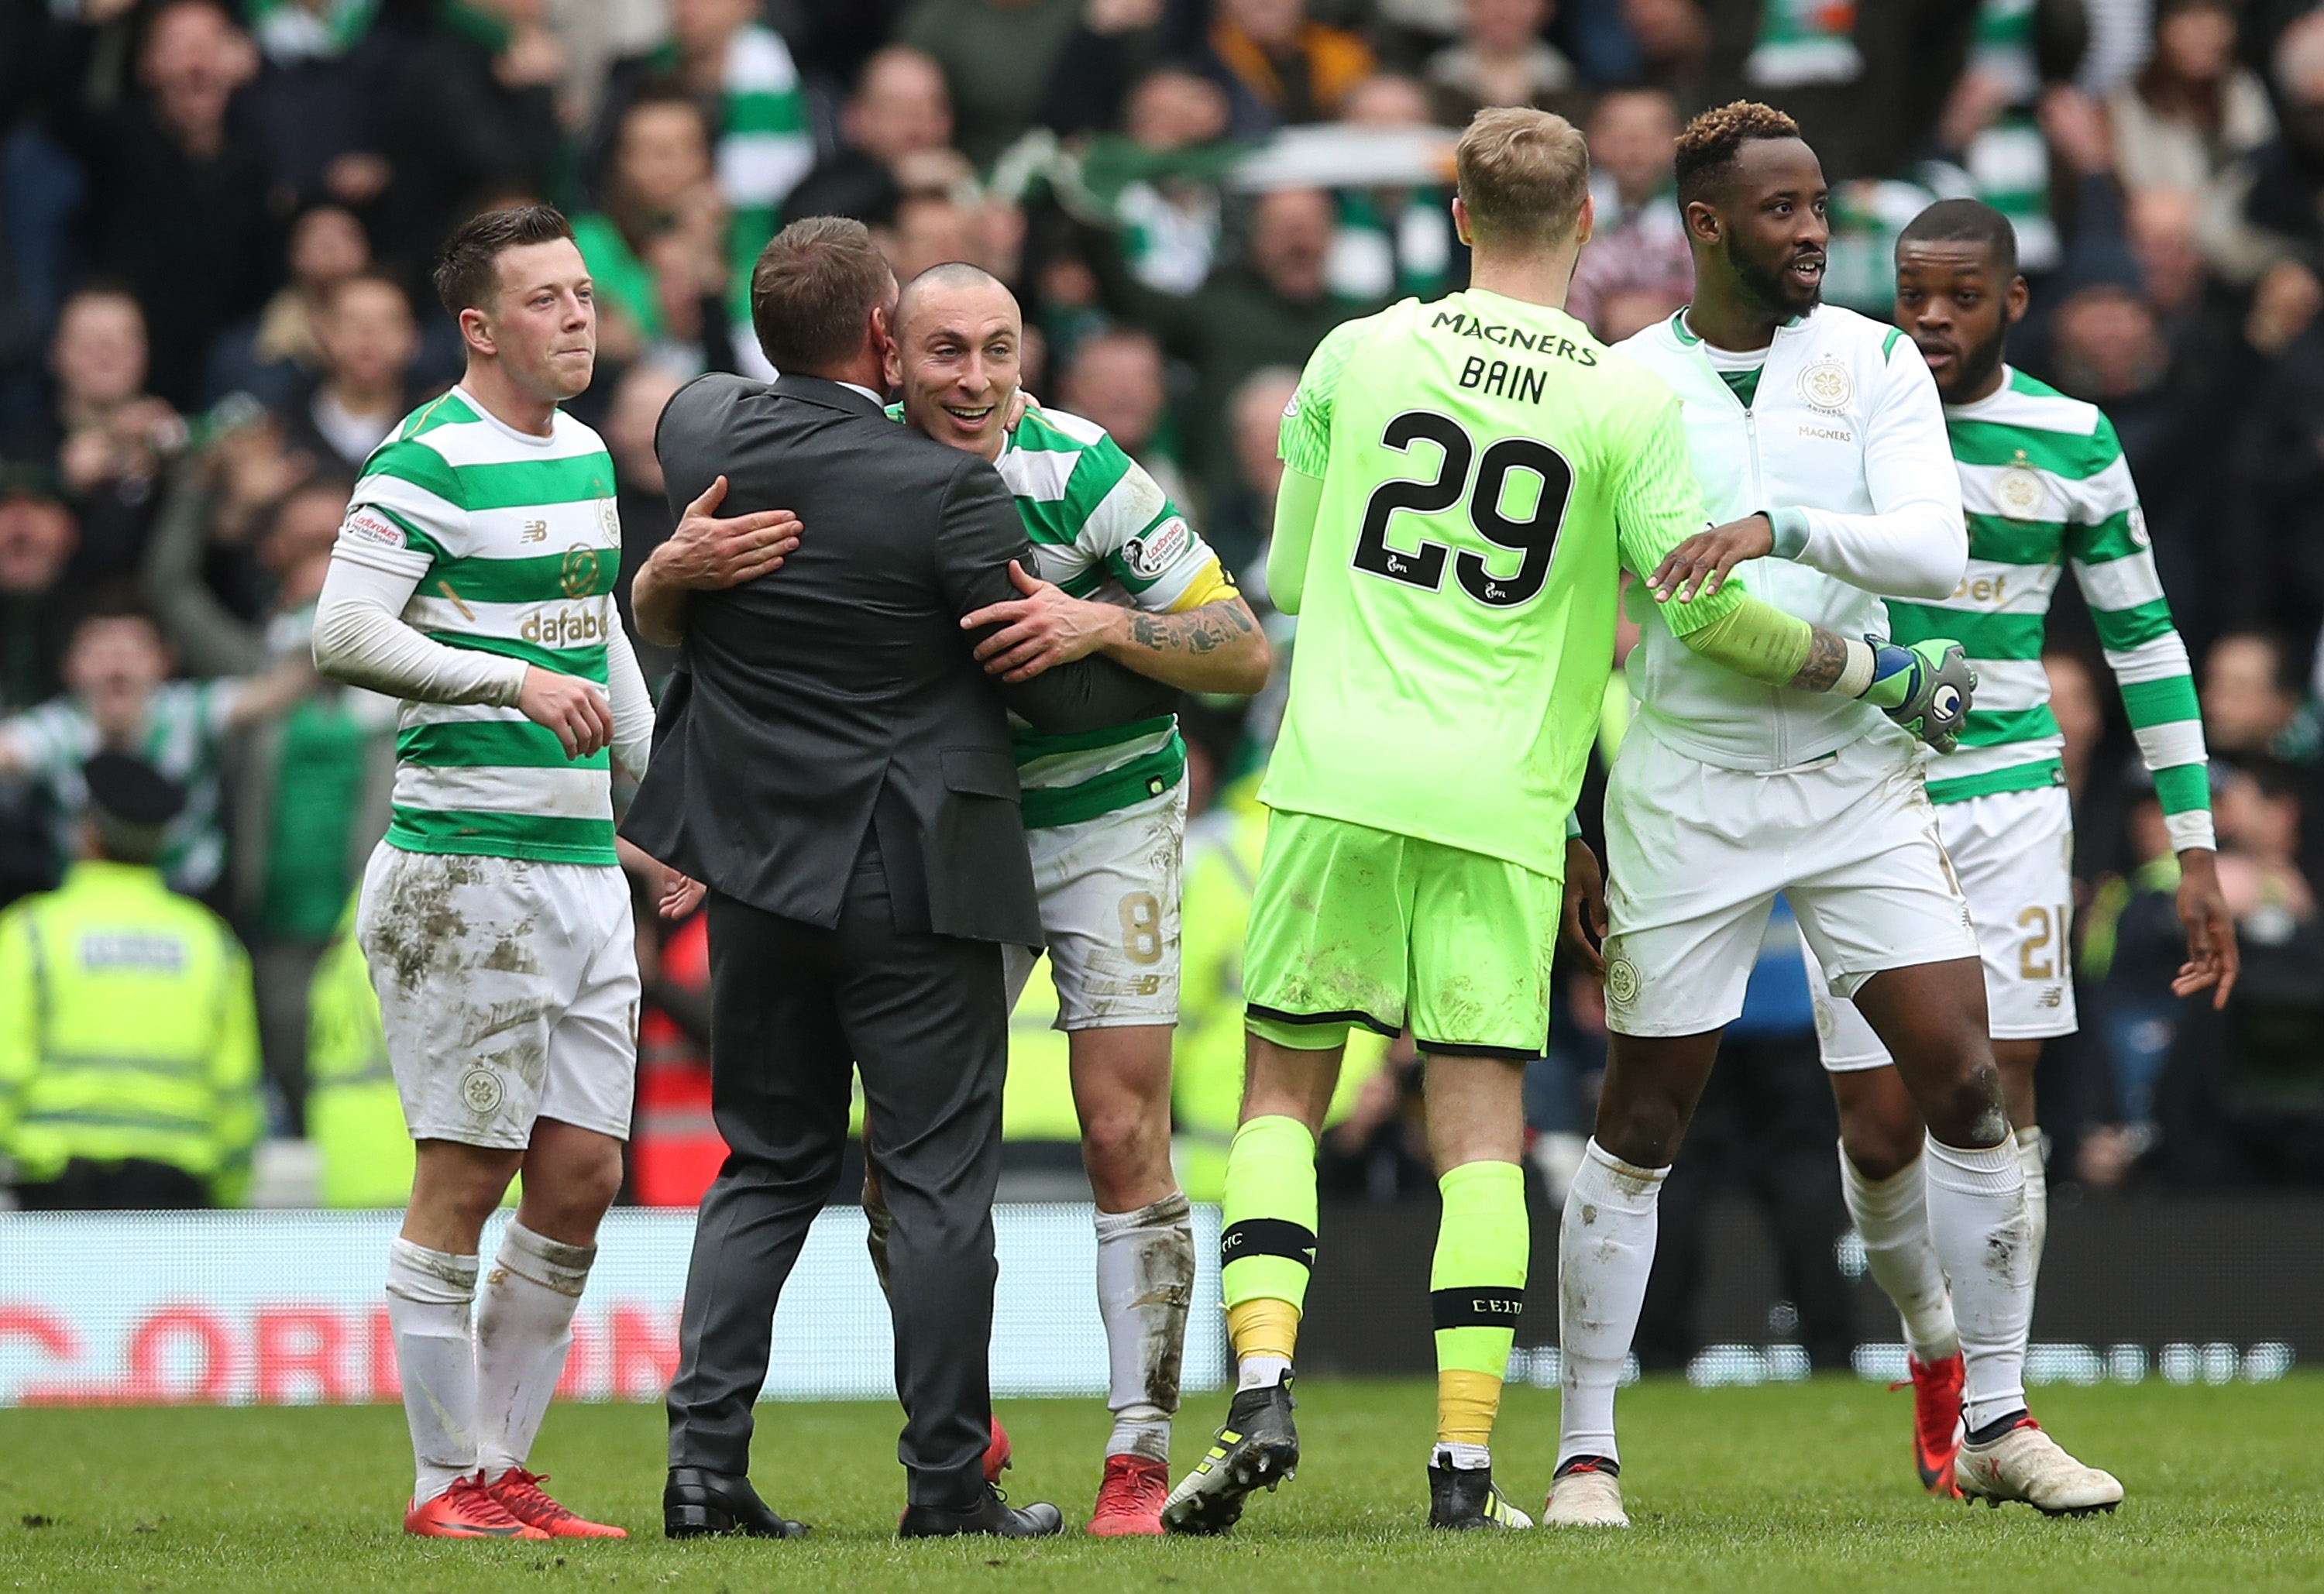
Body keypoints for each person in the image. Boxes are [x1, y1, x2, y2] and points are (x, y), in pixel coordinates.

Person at [1164, 105, 1977, 1539]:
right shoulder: (1621, 399)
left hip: (1338, 771)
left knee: (1282, 1093)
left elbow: (1285, 573)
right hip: (1504, 804)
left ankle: (1262, 1379)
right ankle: (1465, 1467)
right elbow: (1705, 610)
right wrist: (1874, 666)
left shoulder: (1356, 353)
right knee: (1478, 1129)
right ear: (1592, 222)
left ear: (1458, 214)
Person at [1549, 101, 2121, 1529]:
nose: (1814, 233)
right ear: (1704, 225)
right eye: (1784, 210)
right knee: (1641, 1120)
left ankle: (1995, 1415)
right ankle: (1585, 1454)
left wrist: (1780, 530)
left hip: (1864, 774)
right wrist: (1571, 812)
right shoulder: (1617, 381)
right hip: (1688, 783)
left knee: (1968, 1088)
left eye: (1819, 206)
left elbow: (1930, 543)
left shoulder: (1872, 358)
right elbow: (1564, 627)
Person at [621, 216, 1174, 1541]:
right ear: (883, 334)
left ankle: (702, 1472)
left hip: (754, 874)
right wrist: (1149, 649)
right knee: (933, 1184)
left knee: (763, 1164)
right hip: (912, 874)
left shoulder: (707, 433)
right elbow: (1037, 658)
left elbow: (684, 414)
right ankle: (944, 1485)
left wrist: (672, 573)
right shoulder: (944, 491)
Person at [1805, 197, 2239, 1497]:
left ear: (2012, 301)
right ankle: (1936, 1347)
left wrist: (2197, 841)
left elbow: (2146, 641)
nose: (1930, 318)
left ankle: (2002, 1403)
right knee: (1882, 1131)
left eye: (1958, 295)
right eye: (1912, 294)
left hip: (2013, 797)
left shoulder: (2072, 439)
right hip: (1862, 797)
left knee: (2000, 1093)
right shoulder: (1838, 420)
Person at [864, 266, 1267, 1535]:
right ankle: (960, 1430)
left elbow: (1241, 643)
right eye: (944, 352)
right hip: (951, 826)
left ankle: (1137, 1457)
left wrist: (1098, 628)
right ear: (891, 354)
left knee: (1120, 1125)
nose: (974, 378)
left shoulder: (1082, 466)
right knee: (906, 1157)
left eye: (997, 349)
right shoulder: (855, 468)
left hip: (1105, 811)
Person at [309, 204, 670, 1542]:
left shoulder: (580, 452)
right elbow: (340, 628)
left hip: (580, 867)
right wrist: (507, 678)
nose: (578, 316)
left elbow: (599, 630)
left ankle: (501, 1466)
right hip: (466, 870)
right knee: (464, 1175)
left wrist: (665, 794)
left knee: (579, 1176)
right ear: (479, 327)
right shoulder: (426, 457)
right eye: (546, 301)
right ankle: (438, 1482)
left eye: (583, 294)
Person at [0, 753, 261, 1209]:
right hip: (178, 1197)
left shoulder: (32, 933)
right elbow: (237, 1093)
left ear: (87, 832)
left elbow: (6, 1071)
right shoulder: (212, 943)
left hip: (57, 1198)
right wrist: (228, 1196)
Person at [0, 597, 309, 900]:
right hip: (87, 907)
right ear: (69, 666)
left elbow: (273, 694)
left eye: (133, 651)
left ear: (165, 661)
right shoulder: (57, 730)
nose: (116, 668)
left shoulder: (187, 712)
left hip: (191, 901)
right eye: (99, 652)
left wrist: (315, 625)